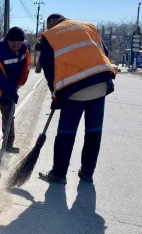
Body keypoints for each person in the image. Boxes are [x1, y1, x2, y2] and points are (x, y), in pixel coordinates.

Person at [37, 14, 117, 184]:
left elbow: (48, 67)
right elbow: (105, 53)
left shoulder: (50, 35)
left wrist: (55, 93)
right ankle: (87, 173)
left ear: (52, 23)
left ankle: (59, 174)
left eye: (47, 26)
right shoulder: (89, 27)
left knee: (66, 133)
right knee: (93, 132)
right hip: (99, 84)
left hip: (74, 89)